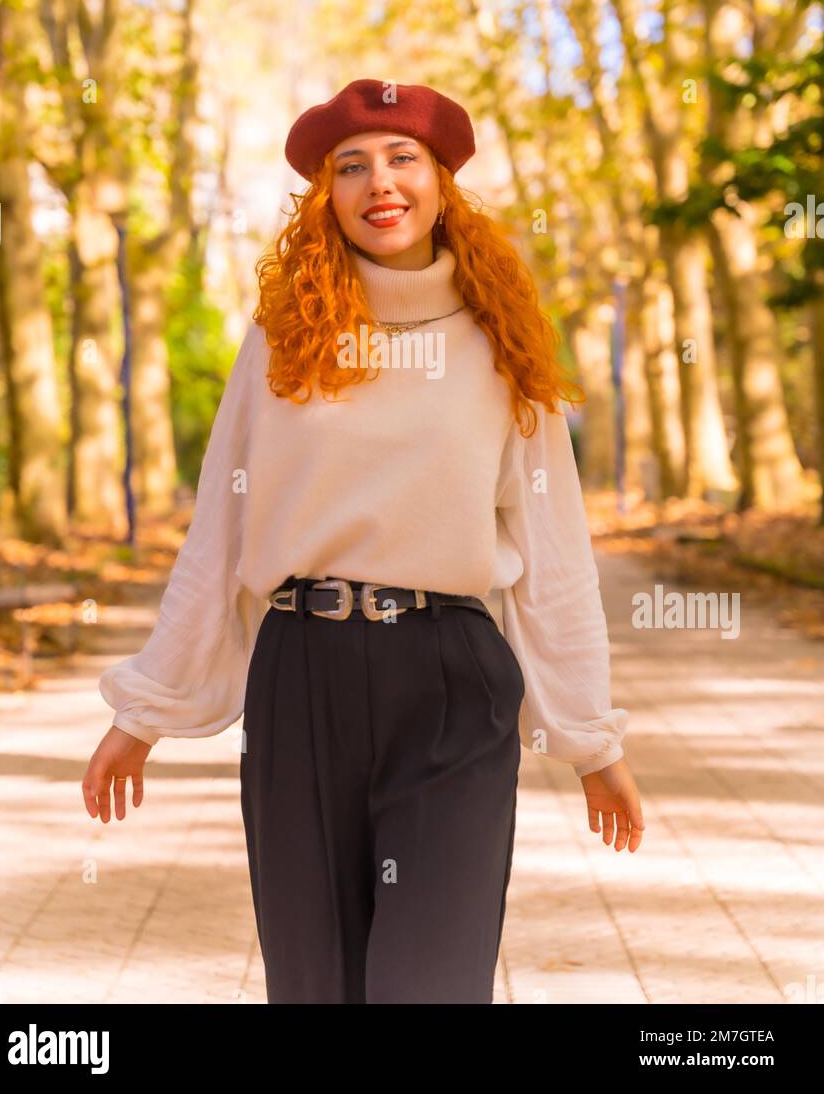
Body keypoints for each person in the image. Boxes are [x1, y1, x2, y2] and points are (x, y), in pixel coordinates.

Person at [82, 78, 644, 1004]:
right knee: (316, 986)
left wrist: (592, 743)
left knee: (429, 982)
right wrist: (143, 712)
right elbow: (221, 533)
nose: (379, 182)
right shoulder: (283, 340)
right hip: (305, 672)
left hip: (452, 679)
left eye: (401, 158)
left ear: (440, 183)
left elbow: (553, 558)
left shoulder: (504, 345)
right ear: (326, 197)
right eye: (351, 166)